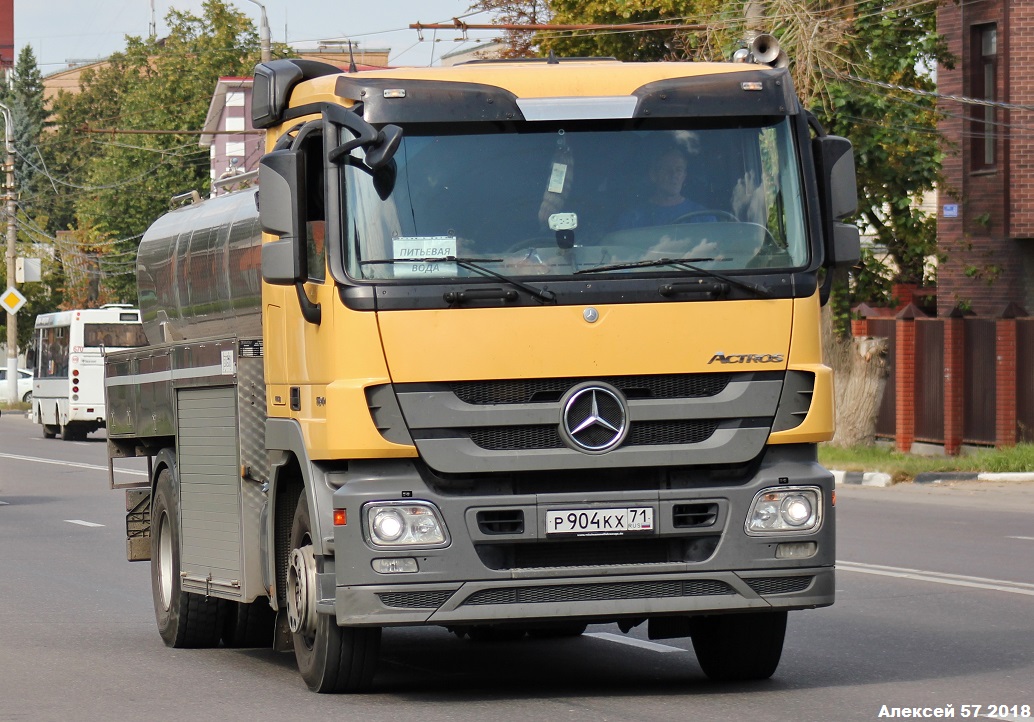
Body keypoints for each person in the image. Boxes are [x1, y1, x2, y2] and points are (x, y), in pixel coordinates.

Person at [617, 145, 708, 229]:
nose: (674, 175)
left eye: (679, 170)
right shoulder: (632, 218)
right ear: (653, 175)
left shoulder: (702, 215)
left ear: (684, 176)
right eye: (666, 169)